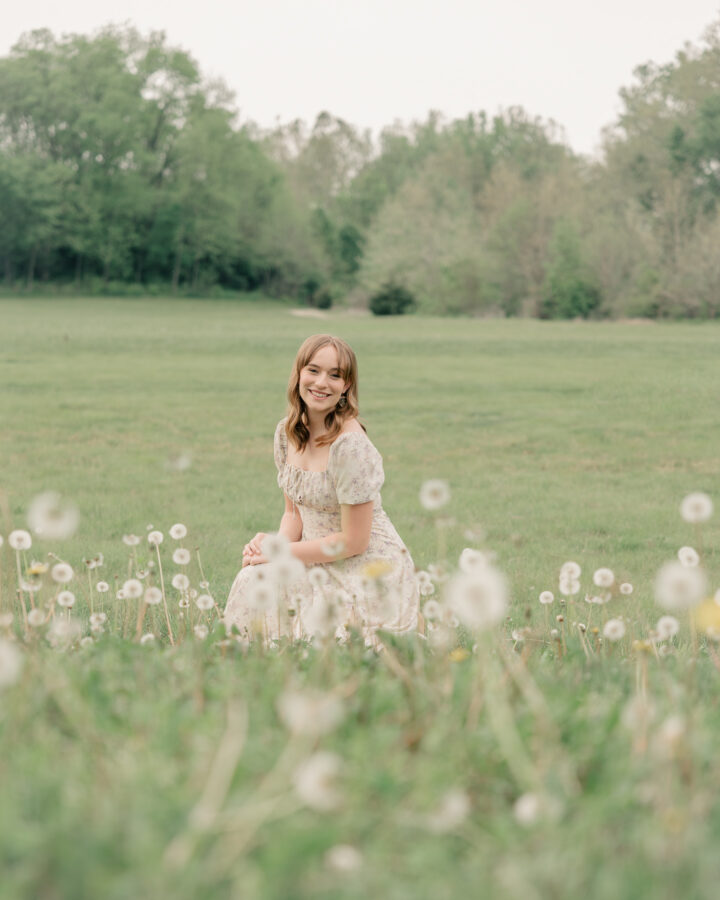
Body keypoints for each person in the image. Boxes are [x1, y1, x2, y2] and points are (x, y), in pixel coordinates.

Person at [222, 333, 419, 646]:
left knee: (327, 652)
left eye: (335, 375)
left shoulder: (350, 446)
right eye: (313, 370)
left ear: (347, 386)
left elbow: (353, 542)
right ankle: (243, 663)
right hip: (312, 559)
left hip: (364, 570)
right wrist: (271, 553)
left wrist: (281, 552)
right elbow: (293, 513)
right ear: (299, 373)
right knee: (253, 579)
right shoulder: (287, 434)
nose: (322, 383)